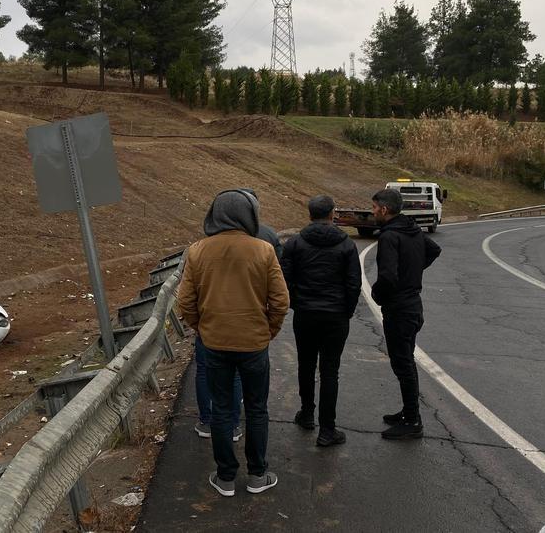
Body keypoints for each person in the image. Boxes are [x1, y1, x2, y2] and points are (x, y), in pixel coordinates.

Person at [178, 189, 290, 497]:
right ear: (249, 214)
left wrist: (201, 327)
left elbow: (185, 301)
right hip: (254, 343)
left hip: (214, 343)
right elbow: (280, 301)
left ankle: (225, 476)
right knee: (256, 409)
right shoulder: (263, 250)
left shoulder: (198, 250)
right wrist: (269, 331)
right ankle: (257, 474)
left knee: (222, 409)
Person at [281, 195, 361, 447]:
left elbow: (285, 279)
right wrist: (346, 310)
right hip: (335, 315)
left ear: (309, 214)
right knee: (330, 370)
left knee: (305, 364)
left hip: (305, 313)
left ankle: (306, 413)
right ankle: (328, 428)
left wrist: (296, 303)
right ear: (332, 214)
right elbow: (353, 283)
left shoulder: (295, 243)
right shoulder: (346, 244)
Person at [370, 189, 441, 440]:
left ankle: (412, 421)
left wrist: (376, 294)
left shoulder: (390, 237)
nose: (373, 212)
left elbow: (388, 276)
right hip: (413, 305)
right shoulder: (411, 229)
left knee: (403, 364)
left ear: (385, 210)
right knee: (405, 361)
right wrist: (413, 270)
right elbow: (434, 250)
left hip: (399, 309)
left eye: (375, 208)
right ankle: (408, 411)